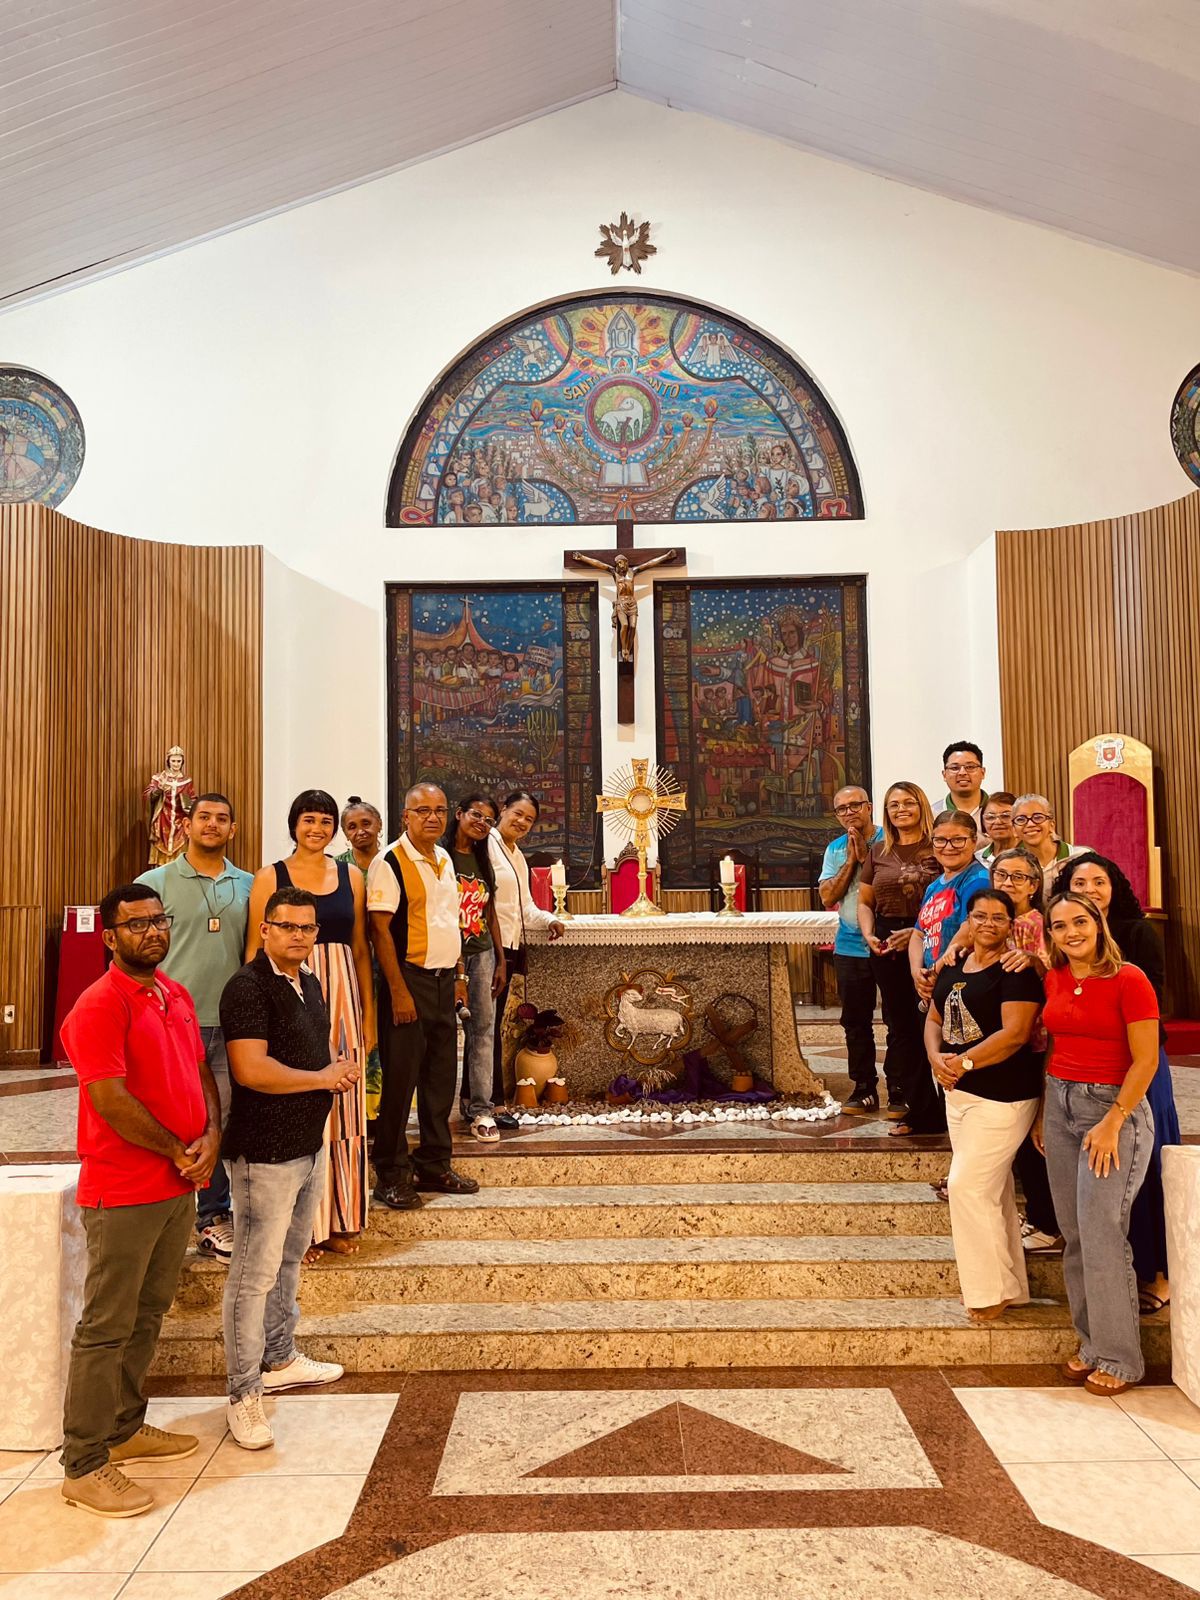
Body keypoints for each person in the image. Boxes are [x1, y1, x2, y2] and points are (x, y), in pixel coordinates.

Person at [59, 884, 220, 1517]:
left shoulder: (173, 992)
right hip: (125, 1188)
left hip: (177, 1184)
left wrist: (210, 1134)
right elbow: (111, 1100)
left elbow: (200, 1068)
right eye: (136, 924)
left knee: (148, 1312)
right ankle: (83, 1463)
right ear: (109, 937)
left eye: (159, 920)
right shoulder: (99, 1004)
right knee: (106, 1326)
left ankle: (123, 1428)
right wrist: (178, 1148)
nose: (152, 932)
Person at [220, 887, 355, 1449]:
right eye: (288, 926)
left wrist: (332, 1071)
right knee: (253, 1275)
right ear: (266, 929)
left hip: (307, 1144)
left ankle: (279, 1359)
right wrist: (323, 1078)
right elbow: (251, 1070)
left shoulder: (310, 981)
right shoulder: (248, 987)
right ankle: (242, 1393)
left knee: (290, 1258)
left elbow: (305, 1056)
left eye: (308, 927)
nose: (299, 935)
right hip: (264, 1152)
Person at [1037, 892, 1159, 1395]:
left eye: (1080, 922)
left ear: (1098, 922)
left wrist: (1113, 1121)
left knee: (1103, 1234)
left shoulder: (1130, 979)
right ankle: (1091, 1344)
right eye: (1060, 925)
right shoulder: (1056, 977)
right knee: (1075, 1234)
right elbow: (1054, 1046)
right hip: (1060, 1104)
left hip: (1111, 1109)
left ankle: (1120, 1358)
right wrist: (1045, 1112)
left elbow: (1146, 1060)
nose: (1072, 932)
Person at [247, 791, 375, 1259]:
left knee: (345, 1109)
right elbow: (254, 947)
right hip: (288, 990)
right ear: (294, 825)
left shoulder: (351, 876)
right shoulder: (270, 877)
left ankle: (340, 1218)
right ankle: (299, 1229)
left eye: (325, 821)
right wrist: (259, 1011)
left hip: (343, 996)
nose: (317, 829)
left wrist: (368, 1015)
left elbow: (360, 948)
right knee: (298, 1106)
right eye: (308, 820)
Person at [1053, 852, 1181, 1317]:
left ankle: (1160, 1271)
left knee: (1147, 1169)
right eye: (1079, 882)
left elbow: (1152, 1005)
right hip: (1086, 1075)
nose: (1090, 889)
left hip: (1138, 1064)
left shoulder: (1135, 934)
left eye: (1099, 881)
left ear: (1114, 888)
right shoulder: (1063, 946)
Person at [137, 793, 252, 1263]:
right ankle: (160, 1213)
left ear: (233, 829)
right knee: (169, 1119)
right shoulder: (153, 883)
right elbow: (131, 954)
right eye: (203, 816)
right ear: (185, 825)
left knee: (218, 1120)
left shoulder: (249, 884)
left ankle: (212, 1216)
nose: (212, 824)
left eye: (222, 818)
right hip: (171, 1023)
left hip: (233, 1023)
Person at [925, 889, 1043, 1320]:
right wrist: (935, 1057)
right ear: (968, 921)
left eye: (998, 917)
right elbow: (934, 1019)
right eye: (980, 916)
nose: (988, 924)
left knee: (966, 1187)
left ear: (1011, 925)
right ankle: (1010, 1286)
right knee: (993, 1190)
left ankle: (989, 1291)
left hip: (1003, 1094)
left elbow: (1015, 1035)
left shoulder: (1016, 971)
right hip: (958, 1091)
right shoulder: (955, 964)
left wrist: (964, 1062)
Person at [368, 783, 480, 1207]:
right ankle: (390, 1172)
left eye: (439, 810)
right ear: (406, 817)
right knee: (400, 1082)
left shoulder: (444, 858)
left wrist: (458, 975)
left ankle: (433, 1163)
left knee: (440, 1079)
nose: (432, 817)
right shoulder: (390, 862)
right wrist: (398, 991)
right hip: (408, 980)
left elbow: (451, 922)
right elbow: (380, 930)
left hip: (442, 981)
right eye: (423, 811)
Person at [901, 810, 990, 1134]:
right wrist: (917, 970)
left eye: (958, 840)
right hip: (933, 980)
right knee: (937, 1059)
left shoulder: (977, 880)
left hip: (961, 981)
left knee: (958, 1064)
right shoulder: (936, 885)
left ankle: (968, 1144)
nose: (948, 847)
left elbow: (971, 926)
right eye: (941, 840)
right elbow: (919, 932)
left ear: (974, 841)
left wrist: (937, 970)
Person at [858, 781, 939, 1122]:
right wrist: (868, 934)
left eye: (908, 802)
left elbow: (947, 896)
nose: (901, 809)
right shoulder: (878, 851)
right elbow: (865, 901)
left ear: (921, 806)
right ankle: (917, 1106)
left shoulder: (938, 845)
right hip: (887, 942)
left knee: (934, 1020)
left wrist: (918, 932)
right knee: (901, 1025)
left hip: (931, 939)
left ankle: (950, 1104)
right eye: (894, 804)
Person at [487, 790, 566, 1105]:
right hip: (489, 948)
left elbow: (525, 906)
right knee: (485, 1028)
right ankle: (487, 1099)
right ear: (503, 809)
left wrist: (549, 919)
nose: (522, 822)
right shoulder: (487, 846)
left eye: (529, 820)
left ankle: (484, 1096)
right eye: (517, 813)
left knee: (492, 1025)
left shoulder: (517, 854)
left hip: (510, 947)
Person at [444, 793, 507, 1140]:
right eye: (476, 815)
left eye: (489, 820)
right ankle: (439, 1110)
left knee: (482, 1030)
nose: (482, 823)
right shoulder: (441, 857)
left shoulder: (483, 861)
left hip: (481, 953)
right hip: (443, 955)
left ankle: (481, 1110)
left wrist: (500, 959)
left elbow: (489, 912)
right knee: (442, 1033)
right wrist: (456, 970)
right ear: (459, 814)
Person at [819, 786, 885, 1114]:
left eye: (855, 805)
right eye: (841, 809)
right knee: (855, 1022)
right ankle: (864, 1088)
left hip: (889, 942)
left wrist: (866, 856)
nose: (849, 812)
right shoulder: (834, 849)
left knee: (899, 1020)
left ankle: (901, 1087)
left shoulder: (890, 840)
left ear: (869, 807)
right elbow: (828, 896)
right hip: (849, 945)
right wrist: (850, 860)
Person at [336, 796, 385, 1121]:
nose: (360, 831)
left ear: (379, 825)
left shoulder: (392, 860)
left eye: (366, 823)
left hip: (390, 961)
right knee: (357, 1031)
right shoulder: (338, 867)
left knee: (385, 1034)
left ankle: (383, 1110)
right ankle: (357, 1109)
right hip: (352, 961)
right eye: (352, 827)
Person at [1011, 793, 1085, 900]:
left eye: (1038, 817)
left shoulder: (1080, 857)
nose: (1030, 824)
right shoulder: (1009, 865)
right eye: (1021, 819)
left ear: (1051, 825)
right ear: (1014, 830)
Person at [940, 742, 988, 829]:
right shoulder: (932, 814)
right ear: (944, 775)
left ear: (983, 772)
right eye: (955, 768)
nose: (962, 773)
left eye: (970, 767)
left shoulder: (1000, 811)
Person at [977, 792, 1017, 862]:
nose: (998, 822)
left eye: (1005, 816)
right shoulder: (977, 859)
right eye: (990, 817)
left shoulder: (1032, 854)